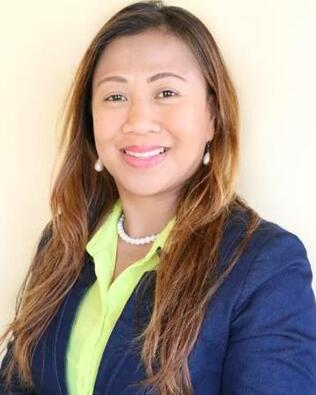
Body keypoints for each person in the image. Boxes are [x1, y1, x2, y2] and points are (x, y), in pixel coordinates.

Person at [1, 1, 316, 394]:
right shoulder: (63, 240)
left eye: (166, 92)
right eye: (115, 97)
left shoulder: (265, 265)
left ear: (213, 117)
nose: (138, 121)